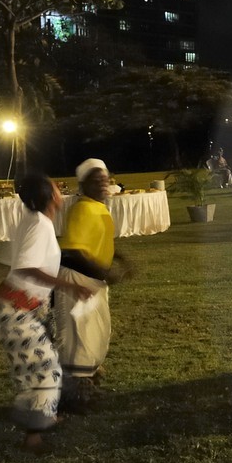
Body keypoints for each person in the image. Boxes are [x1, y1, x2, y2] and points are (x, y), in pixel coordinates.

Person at [0, 173, 93, 452]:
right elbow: (25, 266)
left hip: (18, 308)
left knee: (34, 368)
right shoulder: (39, 225)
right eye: (57, 187)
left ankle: (43, 416)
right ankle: (33, 437)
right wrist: (67, 285)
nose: (60, 190)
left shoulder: (34, 222)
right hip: (15, 311)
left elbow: (13, 260)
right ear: (49, 196)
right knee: (45, 369)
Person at [51, 158, 130, 410]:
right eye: (96, 181)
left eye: (105, 180)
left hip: (92, 281)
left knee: (94, 334)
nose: (103, 185)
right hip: (78, 281)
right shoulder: (83, 209)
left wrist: (121, 259)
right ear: (83, 184)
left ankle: (88, 388)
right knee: (79, 337)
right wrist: (106, 273)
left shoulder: (97, 207)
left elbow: (98, 242)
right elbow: (74, 251)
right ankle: (75, 396)